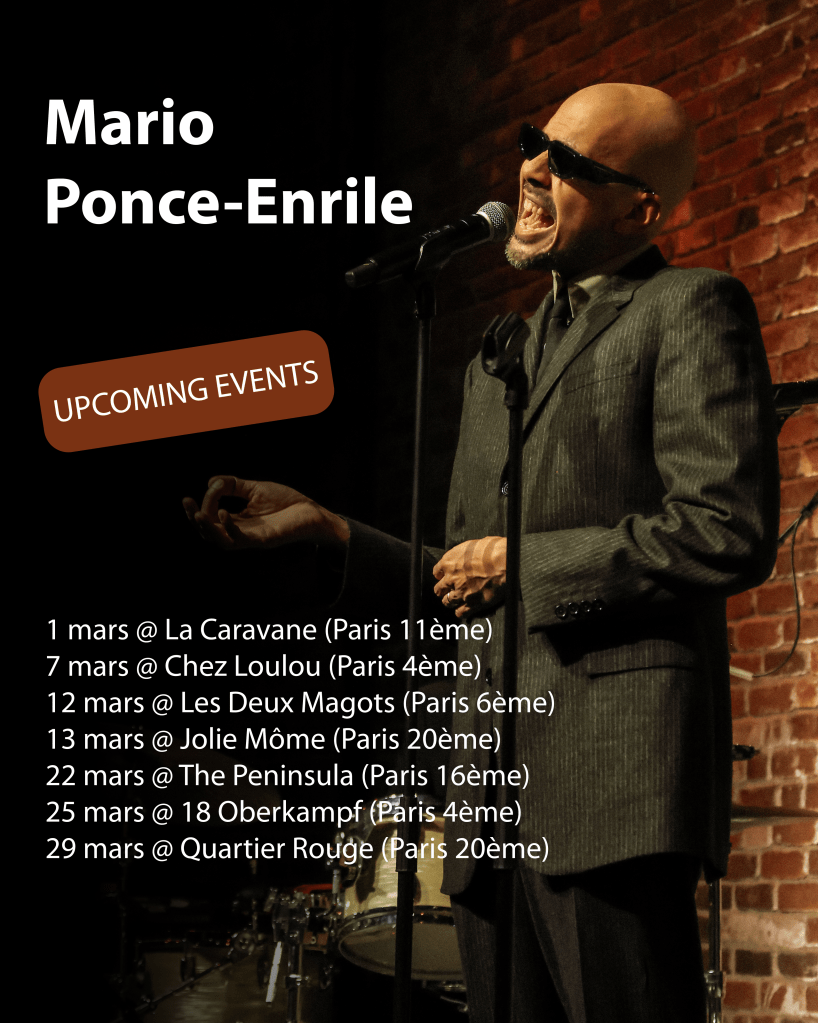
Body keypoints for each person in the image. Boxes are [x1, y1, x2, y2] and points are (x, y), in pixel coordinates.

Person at [184, 84, 780, 1022]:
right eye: (536, 142)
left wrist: (519, 565)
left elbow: (725, 528)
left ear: (640, 210)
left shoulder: (689, 306)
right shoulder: (500, 355)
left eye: (570, 162)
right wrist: (329, 529)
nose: (534, 170)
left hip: (611, 790)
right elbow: (465, 575)